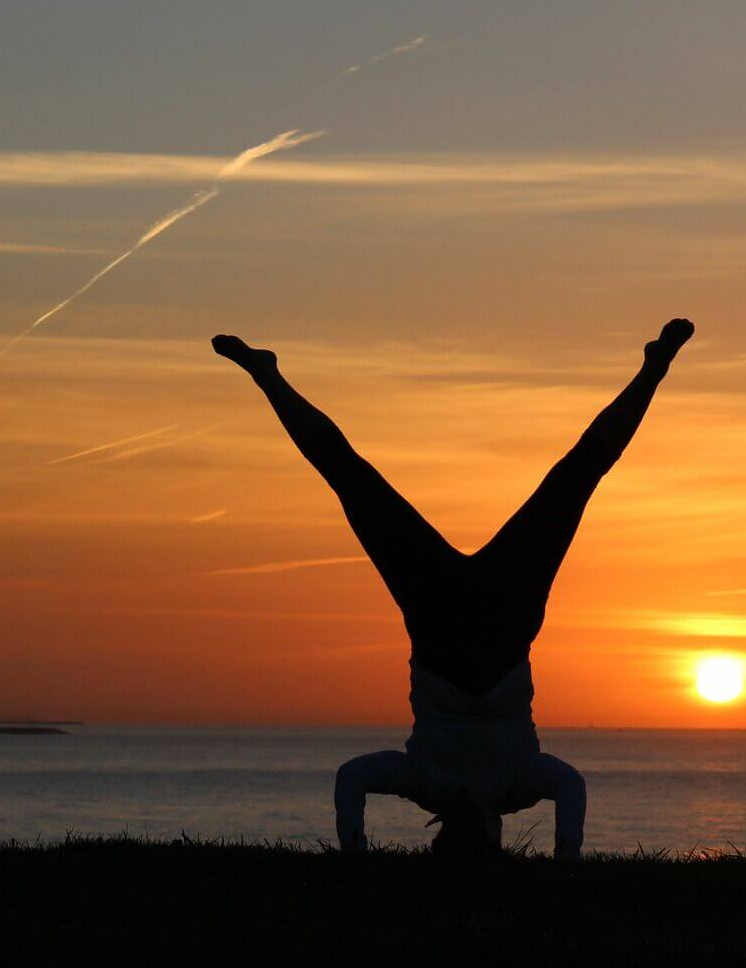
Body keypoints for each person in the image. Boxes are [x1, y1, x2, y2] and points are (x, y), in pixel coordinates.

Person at [212, 318, 695, 859]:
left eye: (450, 841)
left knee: (350, 478)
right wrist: (566, 864)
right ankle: (654, 369)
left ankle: (266, 374)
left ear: (439, 835)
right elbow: (570, 787)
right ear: (494, 836)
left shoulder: (424, 783)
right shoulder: (514, 787)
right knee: (577, 476)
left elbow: (351, 778)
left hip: (438, 614)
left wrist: (355, 855)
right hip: (504, 616)